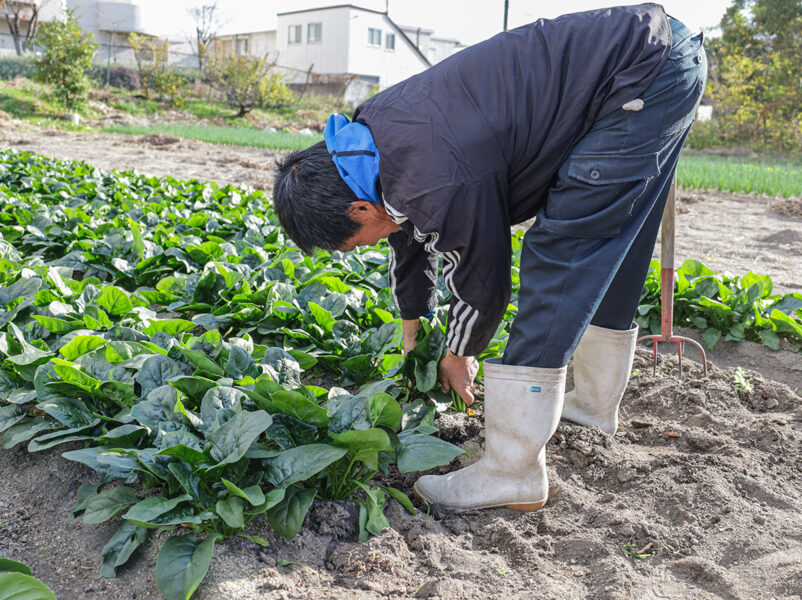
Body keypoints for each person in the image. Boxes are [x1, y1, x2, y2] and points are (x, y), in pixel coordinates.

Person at [272, 3, 707, 512]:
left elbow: (483, 275)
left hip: (640, 76)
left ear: (359, 207)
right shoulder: (366, 145)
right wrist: (413, 319)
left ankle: (512, 470)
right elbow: (406, 230)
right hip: (652, 57)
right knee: (614, 236)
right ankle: (590, 405)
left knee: (562, 252)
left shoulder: (439, 173)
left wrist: (459, 351)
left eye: (356, 240)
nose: (365, 245)